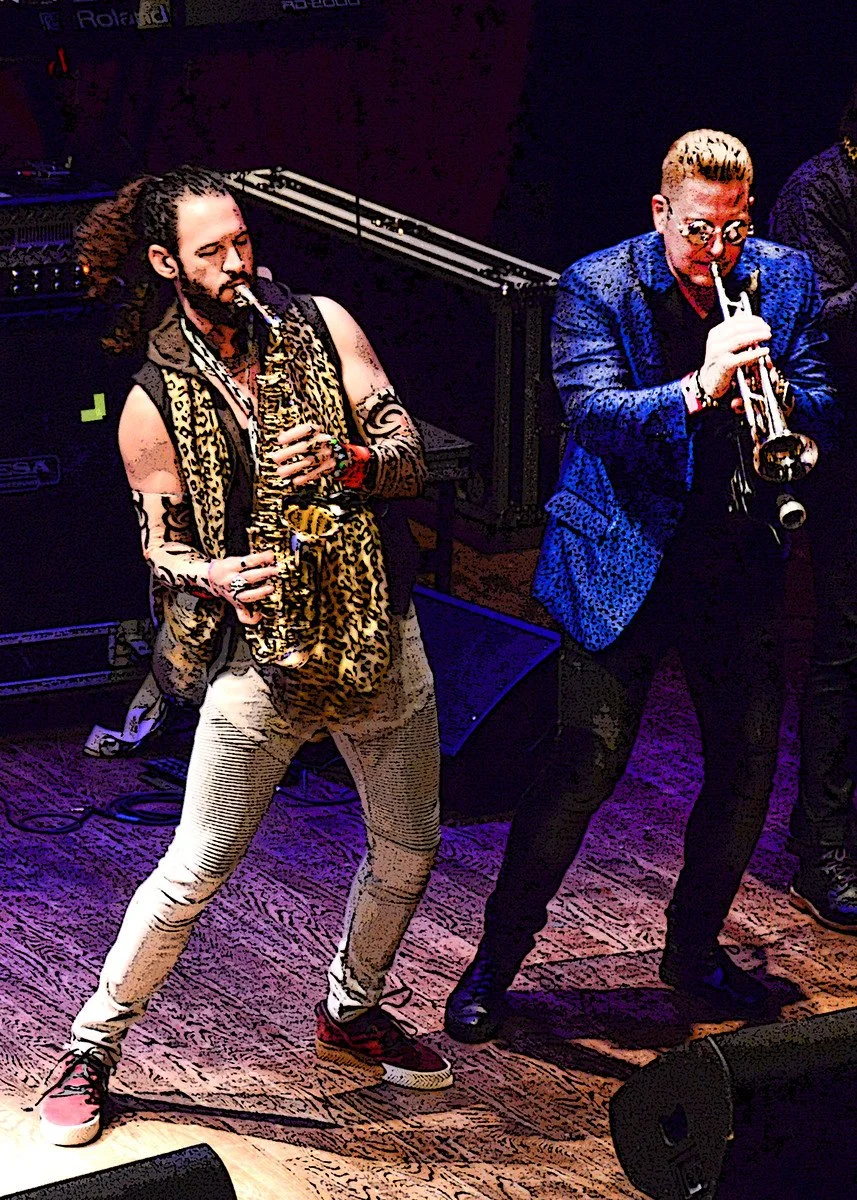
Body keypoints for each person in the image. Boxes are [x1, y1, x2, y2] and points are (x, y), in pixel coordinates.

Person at [37, 166, 453, 1148]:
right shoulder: (154, 398)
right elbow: (159, 543)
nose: (238, 264)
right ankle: (91, 1047)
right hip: (258, 665)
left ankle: (350, 1014)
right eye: (211, 251)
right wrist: (215, 574)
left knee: (408, 848)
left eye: (242, 242)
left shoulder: (323, 322)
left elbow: (406, 449)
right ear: (163, 262)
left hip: (375, 634)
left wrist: (354, 461)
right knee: (191, 873)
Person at [445, 130, 835, 1045]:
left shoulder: (782, 277)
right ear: (661, 211)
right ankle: (495, 961)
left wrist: (777, 384)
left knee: (744, 770)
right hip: (618, 557)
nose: (722, 250)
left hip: (732, 561)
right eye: (702, 230)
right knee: (585, 763)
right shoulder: (598, 284)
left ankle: (692, 950)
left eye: (735, 229)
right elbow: (589, 413)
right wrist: (700, 388)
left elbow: (820, 397)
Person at [768, 88, 857, 933]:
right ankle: (821, 848)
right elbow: (813, 317)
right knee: (845, 648)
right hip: (848, 445)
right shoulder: (819, 189)